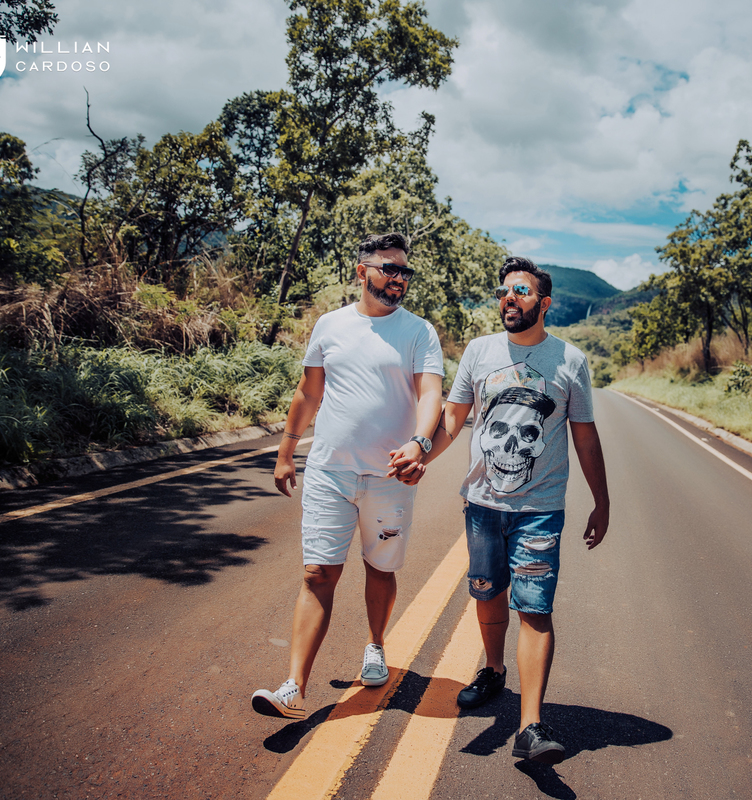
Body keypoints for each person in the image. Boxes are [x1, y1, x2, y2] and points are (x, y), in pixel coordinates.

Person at [392, 256, 610, 764]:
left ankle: (530, 723)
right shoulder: (478, 351)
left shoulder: (570, 361)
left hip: (540, 510)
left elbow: (584, 436)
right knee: (487, 594)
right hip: (483, 505)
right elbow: (453, 418)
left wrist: (602, 501)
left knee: (534, 607)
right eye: (503, 291)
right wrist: (421, 449)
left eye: (521, 290)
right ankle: (493, 671)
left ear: (544, 303)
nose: (508, 298)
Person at [251, 232, 445, 719]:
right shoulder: (330, 325)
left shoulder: (419, 332)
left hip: (389, 477)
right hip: (329, 473)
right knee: (318, 573)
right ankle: (294, 686)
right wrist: (286, 450)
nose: (398, 278)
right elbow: (308, 392)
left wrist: (419, 442)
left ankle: (375, 644)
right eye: (389, 268)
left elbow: (429, 396)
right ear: (362, 271)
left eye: (405, 271)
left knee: (381, 569)